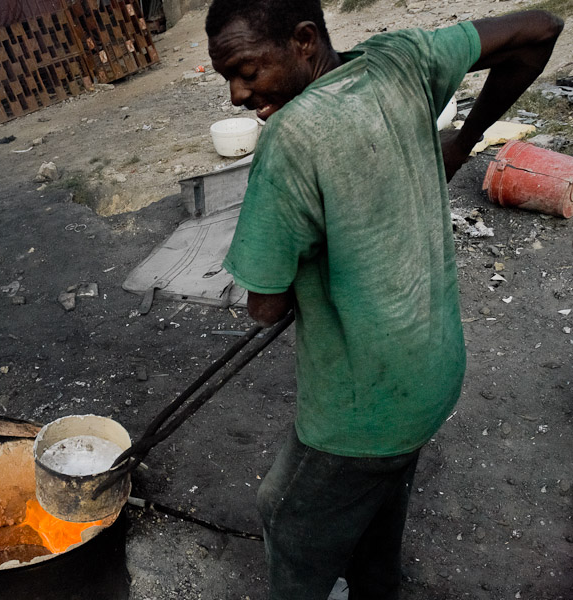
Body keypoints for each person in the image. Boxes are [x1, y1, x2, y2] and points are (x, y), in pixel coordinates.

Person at [204, 2, 563, 599]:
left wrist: (307, 254)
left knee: (287, 516)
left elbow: (264, 304)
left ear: (303, 40)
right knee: (375, 499)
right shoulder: (403, 57)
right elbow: (542, 28)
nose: (237, 95)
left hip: (363, 405)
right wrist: (466, 139)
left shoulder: (291, 138)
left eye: (246, 70)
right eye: (227, 79)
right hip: (431, 371)